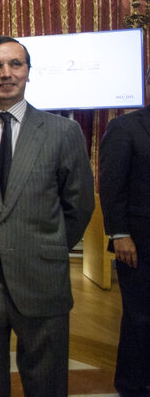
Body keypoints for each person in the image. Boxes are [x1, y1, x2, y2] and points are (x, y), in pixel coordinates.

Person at [0, 36, 95, 397]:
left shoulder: (63, 132)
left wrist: (48, 246)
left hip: (42, 274)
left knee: (47, 378)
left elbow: (79, 204)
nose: (6, 73)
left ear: (28, 72)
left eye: (15, 64)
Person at [99, 66, 150, 397]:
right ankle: (131, 385)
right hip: (139, 243)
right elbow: (110, 186)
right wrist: (119, 234)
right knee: (140, 318)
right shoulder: (125, 128)